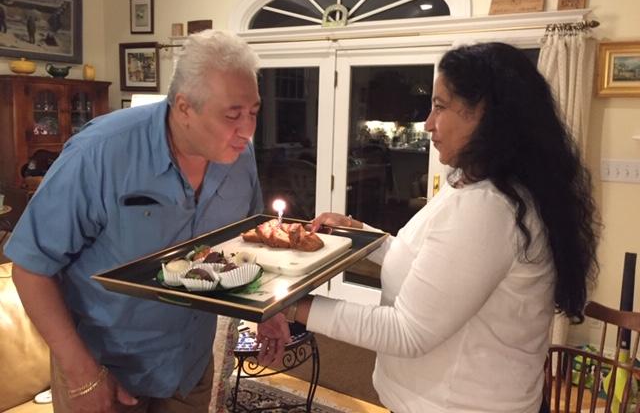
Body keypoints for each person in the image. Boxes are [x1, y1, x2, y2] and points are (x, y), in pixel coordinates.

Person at [258, 42, 600, 413]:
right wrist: (359, 233)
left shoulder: (489, 208)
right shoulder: (478, 186)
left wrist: (288, 305)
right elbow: (430, 264)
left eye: (440, 106)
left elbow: (407, 332)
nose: (428, 123)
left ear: (485, 113)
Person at [6, 29, 263, 413]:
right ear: (184, 107)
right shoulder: (99, 153)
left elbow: (248, 240)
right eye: (232, 115)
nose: (247, 129)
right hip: (103, 370)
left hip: (189, 366)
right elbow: (30, 269)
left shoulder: (240, 155)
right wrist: (81, 373)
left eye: (254, 113)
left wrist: (271, 312)